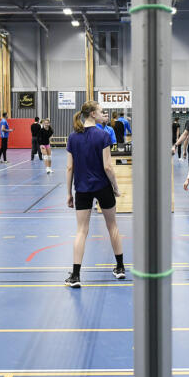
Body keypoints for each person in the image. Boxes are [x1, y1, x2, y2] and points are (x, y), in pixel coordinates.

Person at [65, 100, 125, 287]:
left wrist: (69, 193)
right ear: (92, 114)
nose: (103, 114)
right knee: (112, 226)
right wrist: (115, 187)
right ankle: (120, 268)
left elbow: (69, 167)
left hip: (82, 189)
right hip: (103, 187)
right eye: (101, 111)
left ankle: (75, 276)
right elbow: (108, 166)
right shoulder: (103, 135)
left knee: (81, 231)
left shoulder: (73, 137)